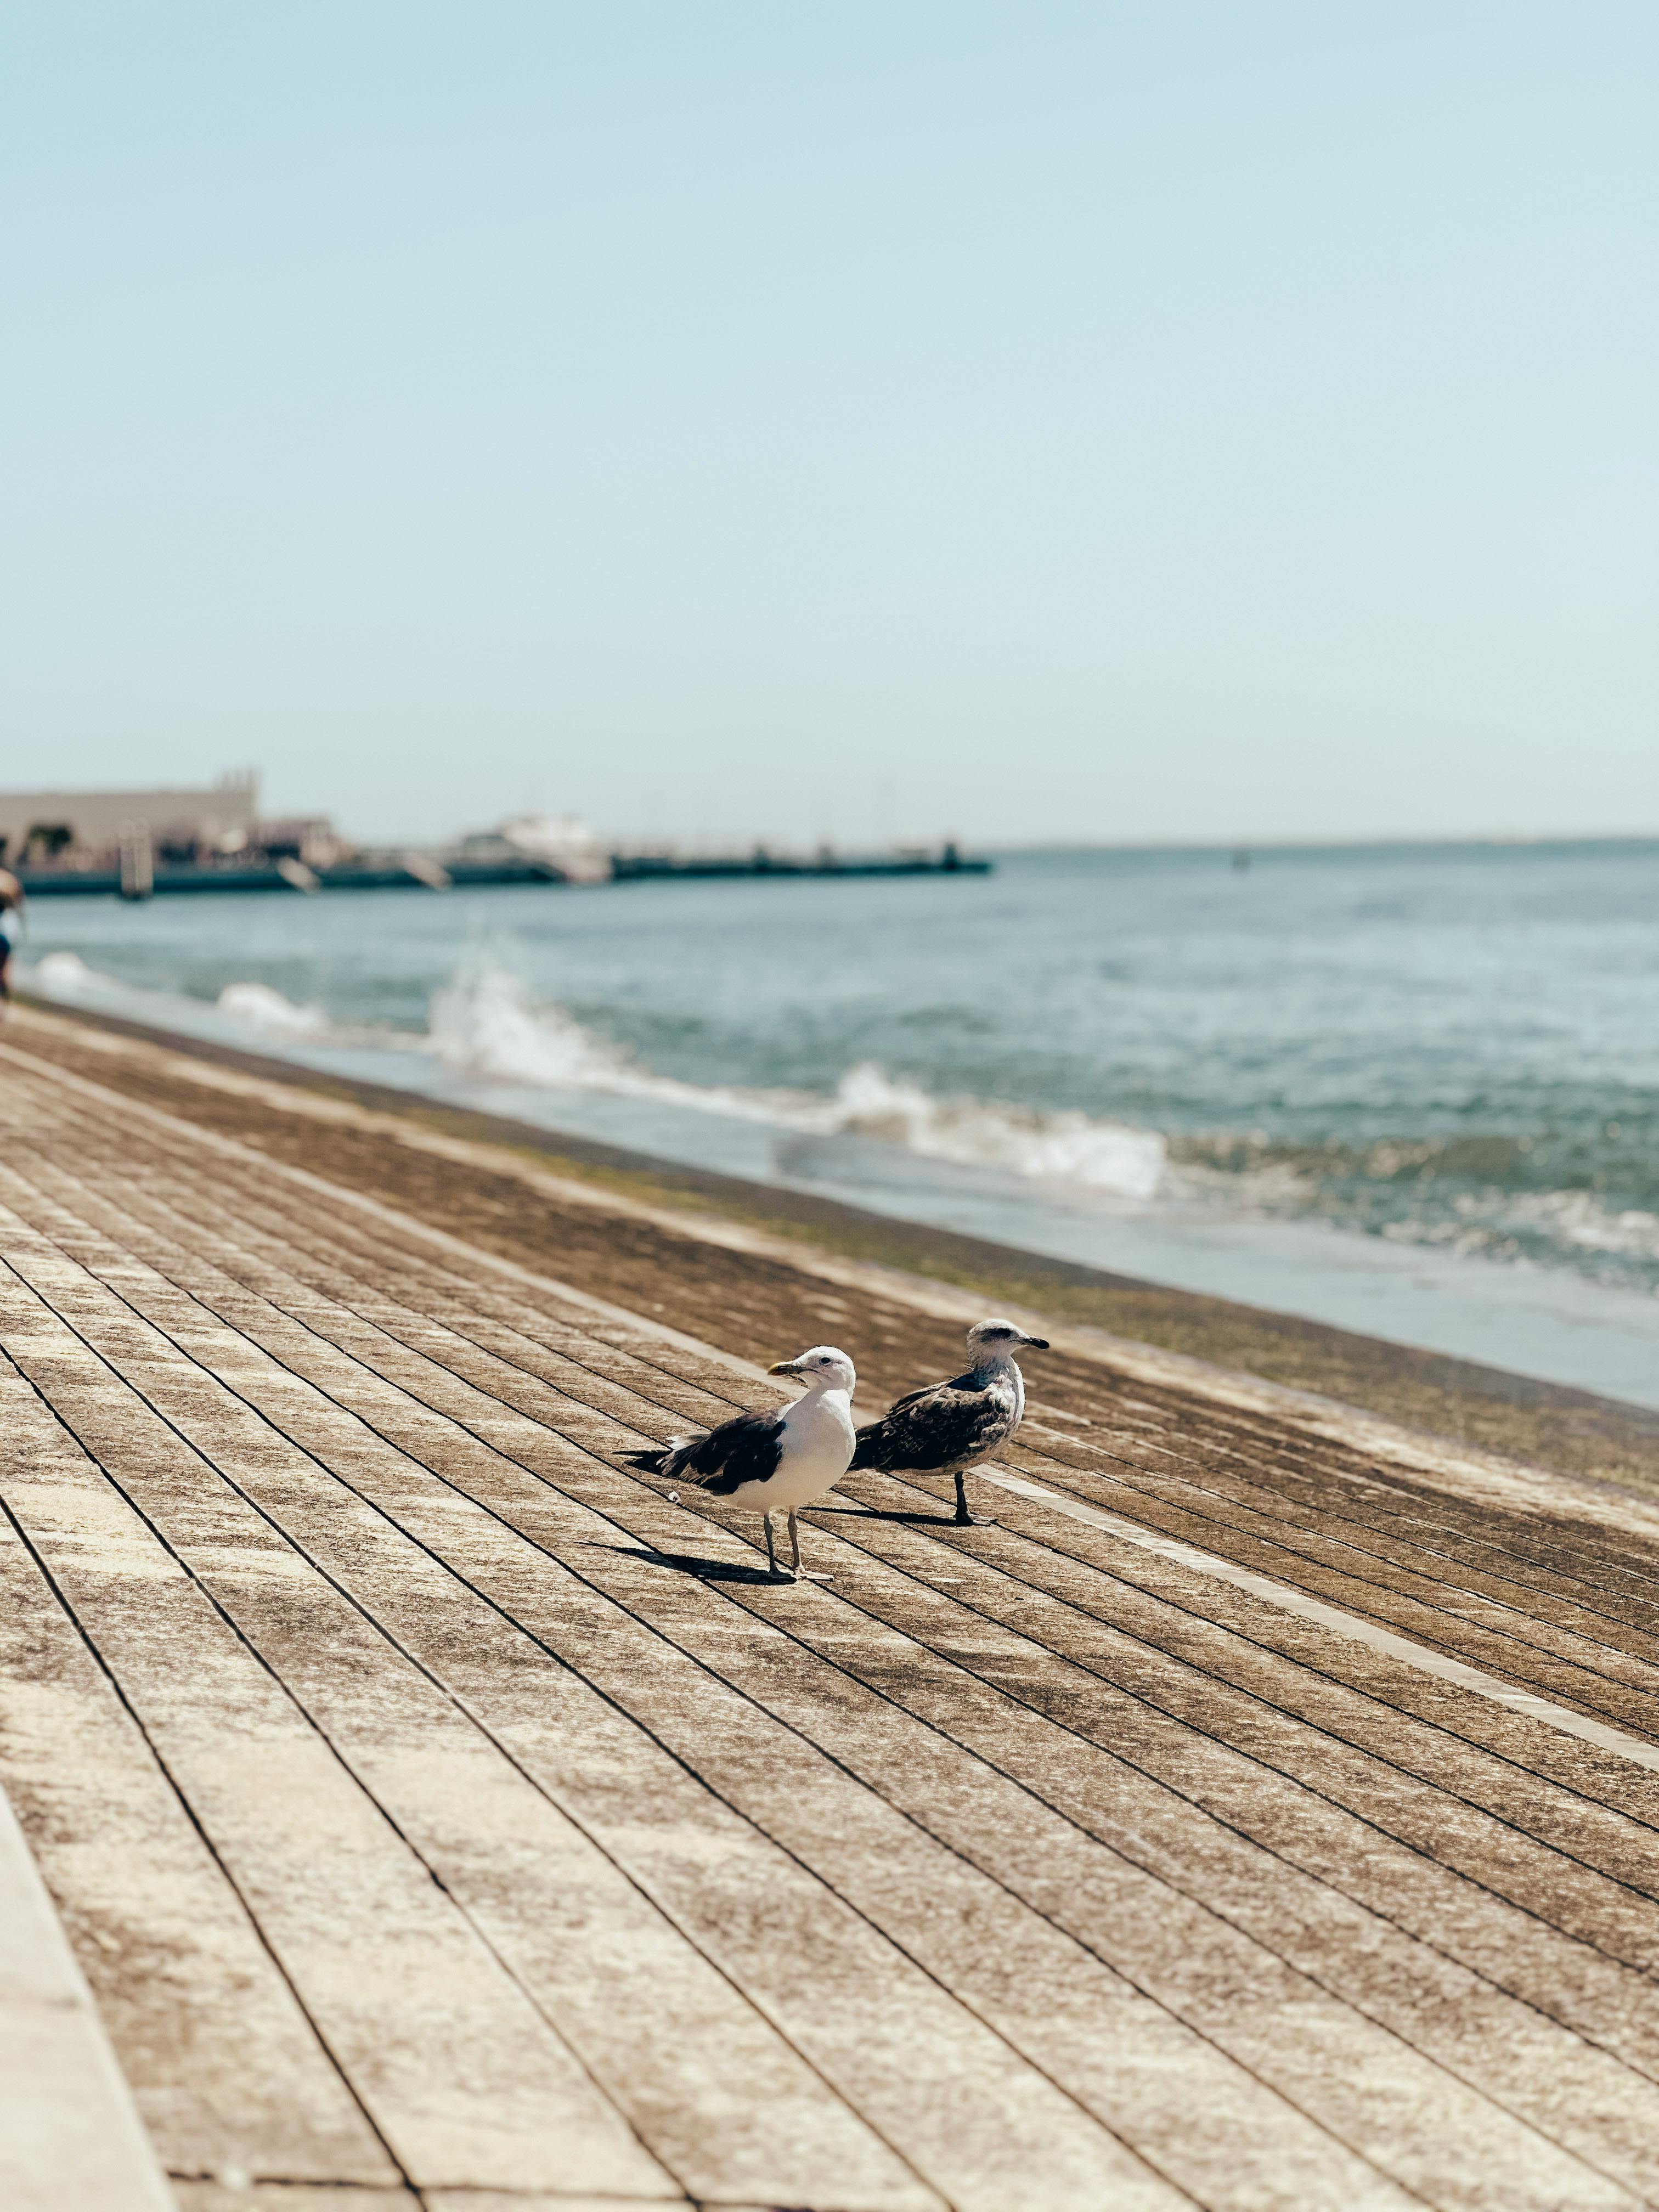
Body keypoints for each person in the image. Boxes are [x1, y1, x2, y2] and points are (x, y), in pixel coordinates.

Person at [0, 867, 24, 1011]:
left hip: (3, 942)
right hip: (5, 943)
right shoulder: (9, 916)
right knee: (4, 973)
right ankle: (5, 1004)